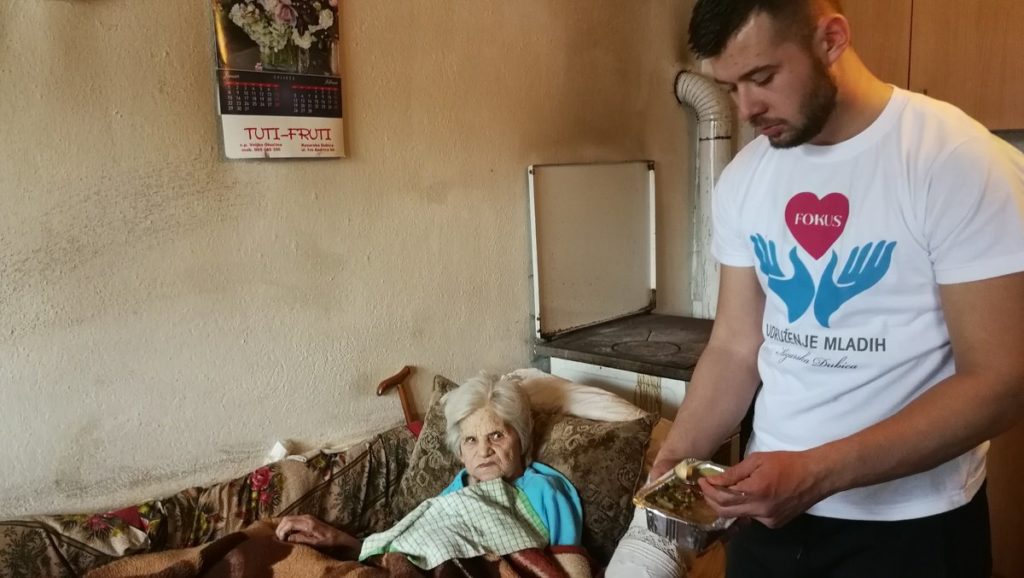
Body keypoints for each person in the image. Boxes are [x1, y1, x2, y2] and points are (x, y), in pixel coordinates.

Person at [650, 1, 1024, 576]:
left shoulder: (956, 161)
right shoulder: (747, 175)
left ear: (830, 39)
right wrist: (678, 456)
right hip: (767, 514)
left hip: (912, 527)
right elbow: (734, 346)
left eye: (762, 77)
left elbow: (1001, 381)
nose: (746, 109)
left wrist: (815, 474)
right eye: (729, 87)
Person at [276, 373, 584, 559]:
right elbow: (416, 544)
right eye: (471, 440)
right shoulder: (460, 486)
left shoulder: (545, 491)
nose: (484, 451)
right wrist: (339, 540)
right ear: (460, 453)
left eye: (496, 435)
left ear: (522, 439)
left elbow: (568, 565)